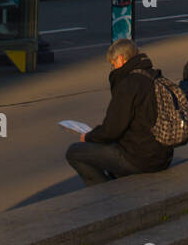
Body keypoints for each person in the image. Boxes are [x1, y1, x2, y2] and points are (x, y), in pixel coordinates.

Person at [65, 39, 173, 185]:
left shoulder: (129, 84)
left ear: (121, 59)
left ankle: (106, 194)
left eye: (113, 63)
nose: (113, 68)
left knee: (74, 152)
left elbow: (112, 130)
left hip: (141, 158)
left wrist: (88, 136)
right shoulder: (155, 76)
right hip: (163, 156)